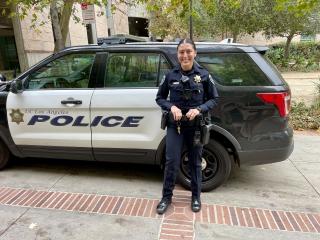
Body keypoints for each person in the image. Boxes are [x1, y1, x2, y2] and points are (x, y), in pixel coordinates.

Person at [155, 38, 219, 214]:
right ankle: (166, 197)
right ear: (177, 55)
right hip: (174, 126)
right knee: (171, 161)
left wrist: (199, 109)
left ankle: (196, 197)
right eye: (181, 52)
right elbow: (159, 98)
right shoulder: (170, 76)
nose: (185, 55)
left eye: (188, 51)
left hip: (195, 127)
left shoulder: (204, 75)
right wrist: (171, 107)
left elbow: (214, 99)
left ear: (195, 53)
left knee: (195, 162)